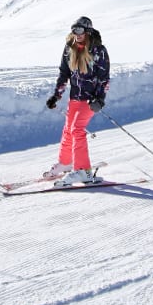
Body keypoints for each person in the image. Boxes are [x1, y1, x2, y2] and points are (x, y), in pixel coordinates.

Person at [44, 16, 110, 186]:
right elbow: (64, 74)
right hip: (75, 98)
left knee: (77, 129)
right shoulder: (69, 48)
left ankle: (83, 171)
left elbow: (104, 78)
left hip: (89, 100)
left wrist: (100, 98)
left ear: (87, 31)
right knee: (68, 130)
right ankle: (66, 163)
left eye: (79, 30)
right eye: (74, 30)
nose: (76, 33)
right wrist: (56, 95)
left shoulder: (99, 50)